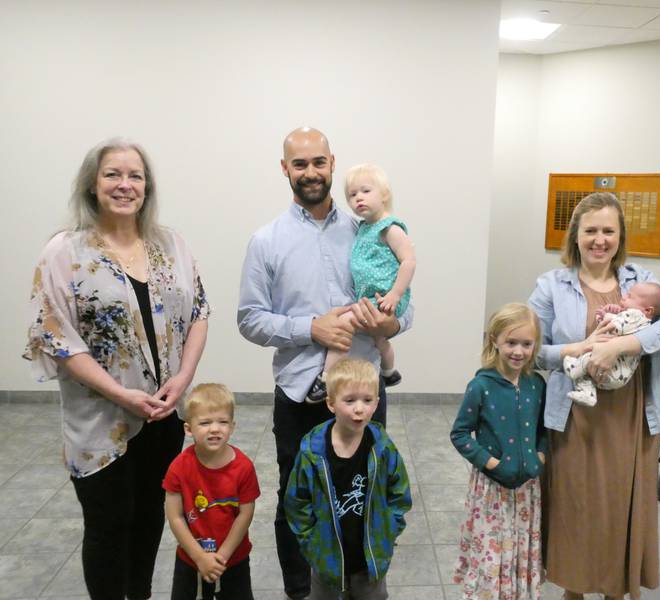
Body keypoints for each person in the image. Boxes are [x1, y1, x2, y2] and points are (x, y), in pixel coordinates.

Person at [23, 138, 210, 600]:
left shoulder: (170, 244)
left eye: (136, 176)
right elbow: (56, 336)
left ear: (147, 187)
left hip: (163, 416)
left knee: (151, 518)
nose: (125, 185)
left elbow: (200, 312)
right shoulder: (65, 252)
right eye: (113, 175)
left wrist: (183, 379)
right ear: (92, 183)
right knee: (108, 525)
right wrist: (122, 394)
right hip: (100, 425)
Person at [237, 127, 413, 600]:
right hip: (299, 394)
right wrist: (311, 328)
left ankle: (360, 584)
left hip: (360, 396)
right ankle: (302, 592)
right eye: (300, 164)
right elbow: (249, 320)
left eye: (319, 162)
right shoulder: (266, 241)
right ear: (284, 169)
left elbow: (406, 309)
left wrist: (387, 325)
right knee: (298, 500)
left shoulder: (368, 229)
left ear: (333, 163)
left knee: (365, 494)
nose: (311, 172)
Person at [528, 192, 660, 600]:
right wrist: (576, 349)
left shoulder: (643, 282)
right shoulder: (551, 286)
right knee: (576, 512)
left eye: (609, 231)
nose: (600, 239)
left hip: (632, 420)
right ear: (575, 236)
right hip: (576, 419)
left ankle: (617, 589)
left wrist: (619, 346)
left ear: (620, 236)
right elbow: (530, 349)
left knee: (620, 512)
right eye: (591, 230)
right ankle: (574, 592)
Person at [284, 359, 412, 600]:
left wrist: (389, 530)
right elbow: (296, 501)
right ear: (331, 403)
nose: (359, 408)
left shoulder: (382, 448)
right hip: (327, 556)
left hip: (370, 557)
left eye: (367, 400)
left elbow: (399, 492)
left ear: (377, 402)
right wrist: (311, 542)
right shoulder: (312, 452)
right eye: (349, 400)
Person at [450, 303, 547, 600]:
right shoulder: (481, 386)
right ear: (495, 341)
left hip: (527, 490)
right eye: (511, 342)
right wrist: (489, 462)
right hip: (491, 490)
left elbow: (544, 430)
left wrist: (539, 456)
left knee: (518, 547)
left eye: (526, 344)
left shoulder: (536, 385)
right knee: (494, 549)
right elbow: (460, 433)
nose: (518, 351)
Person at [307, 163, 416, 401]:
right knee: (378, 338)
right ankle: (389, 372)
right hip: (371, 298)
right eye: (352, 195)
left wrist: (395, 295)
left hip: (384, 298)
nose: (358, 199)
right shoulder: (364, 227)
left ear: (384, 193)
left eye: (365, 191)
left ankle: (325, 379)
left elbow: (408, 261)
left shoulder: (390, 228)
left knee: (342, 325)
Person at [164, 383, 260, 600]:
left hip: (233, 559)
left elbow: (245, 515)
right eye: (205, 423)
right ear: (188, 429)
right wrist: (199, 557)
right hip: (190, 559)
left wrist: (222, 557)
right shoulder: (178, 467)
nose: (215, 429)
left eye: (223, 422)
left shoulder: (244, 468)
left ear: (232, 426)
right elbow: (175, 517)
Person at [563, 282, 660, 406]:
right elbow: (618, 324)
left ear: (647, 310)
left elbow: (612, 327)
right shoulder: (643, 324)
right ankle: (588, 394)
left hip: (613, 368)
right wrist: (612, 314)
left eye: (630, 297)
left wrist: (605, 315)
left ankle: (575, 367)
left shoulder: (637, 316)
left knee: (589, 355)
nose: (624, 297)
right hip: (617, 375)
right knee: (587, 375)